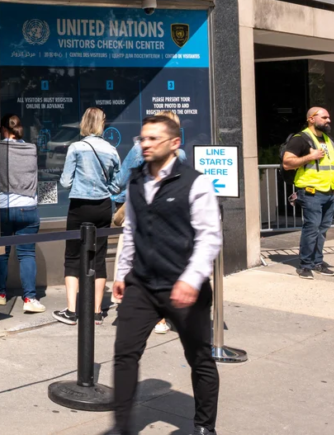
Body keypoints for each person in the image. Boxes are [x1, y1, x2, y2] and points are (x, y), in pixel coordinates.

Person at [108, 115, 221, 435]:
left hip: (183, 285)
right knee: (124, 353)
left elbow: (209, 236)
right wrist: (122, 272)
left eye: (153, 139)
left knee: (199, 356)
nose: (145, 144)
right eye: (143, 138)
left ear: (174, 143)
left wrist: (191, 278)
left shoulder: (195, 182)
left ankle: (204, 426)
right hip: (141, 284)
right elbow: (131, 231)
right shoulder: (135, 180)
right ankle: (122, 427)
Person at [112, 110, 186, 334]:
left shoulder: (138, 149)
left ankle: (147, 313)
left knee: (136, 258)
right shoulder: (181, 154)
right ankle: (162, 315)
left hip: (144, 214)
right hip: (170, 218)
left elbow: (122, 179)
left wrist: (114, 192)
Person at [53, 107, 121, 326]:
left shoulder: (76, 147)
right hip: (102, 207)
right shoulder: (111, 149)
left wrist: (78, 186)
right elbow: (117, 184)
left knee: (73, 256)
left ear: (84, 122)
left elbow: (65, 181)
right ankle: (97, 311)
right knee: (99, 256)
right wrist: (103, 187)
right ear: (102, 123)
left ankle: (72, 311)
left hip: (79, 206)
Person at [0, 114, 45, 314]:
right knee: (27, 253)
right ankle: (29, 298)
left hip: (2, 207)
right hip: (27, 206)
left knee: (1, 253)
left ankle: (0, 295)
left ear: (4, 129)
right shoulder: (31, 149)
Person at [282, 107, 334, 280]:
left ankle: (317, 262)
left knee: (322, 230)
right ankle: (305, 265)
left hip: (328, 192)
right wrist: (309, 157)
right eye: (324, 117)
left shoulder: (329, 140)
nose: (328, 120)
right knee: (312, 228)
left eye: (329, 117)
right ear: (311, 119)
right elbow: (287, 163)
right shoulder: (301, 139)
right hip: (311, 192)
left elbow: (332, 168)